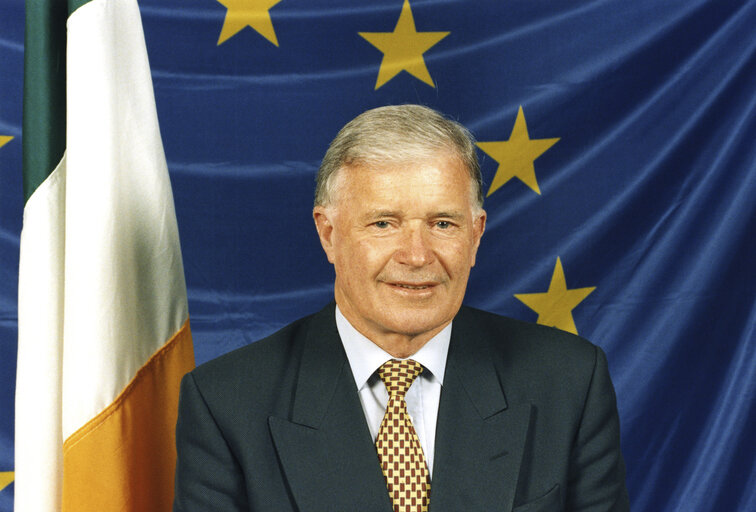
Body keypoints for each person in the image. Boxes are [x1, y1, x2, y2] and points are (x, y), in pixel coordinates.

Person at [173, 105, 630, 511]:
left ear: (476, 234)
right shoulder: (226, 403)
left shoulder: (568, 381)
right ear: (328, 233)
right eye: (384, 223)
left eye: (443, 223)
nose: (416, 255)